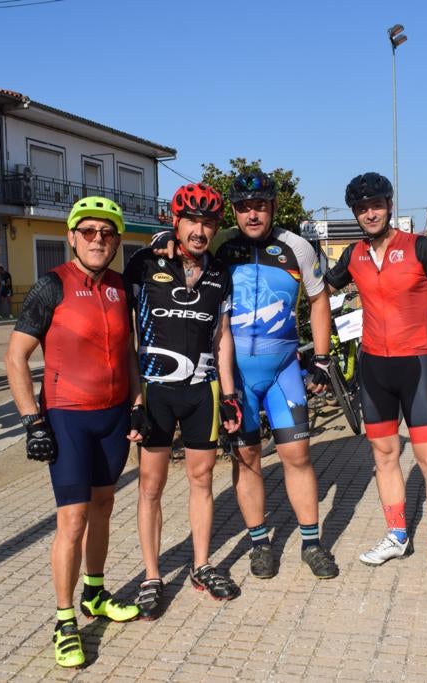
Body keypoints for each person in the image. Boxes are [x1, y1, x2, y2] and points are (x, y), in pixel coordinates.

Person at [154, 170, 339, 580]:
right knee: (247, 457)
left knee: (297, 456)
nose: (252, 215)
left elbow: (319, 301)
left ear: (272, 208)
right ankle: (259, 543)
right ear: (234, 212)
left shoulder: (297, 247)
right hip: (236, 376)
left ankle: (312, 543)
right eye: (243, 208)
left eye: (260, 207)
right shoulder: (220, 244)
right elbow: (185, 246)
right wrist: (162, 238)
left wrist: (322, 358)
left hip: (283, 371)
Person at [5, 196, 142, 669]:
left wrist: (137, 405)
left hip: (113, 416)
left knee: (104, 507)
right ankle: (65, 621)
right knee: (73, 519)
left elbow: (127, 353)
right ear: (72, 237)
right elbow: (15, 356)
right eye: (88, 232)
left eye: (106, 233)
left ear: (117, 241)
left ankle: (95, 594)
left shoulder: (121, 288)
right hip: (67, 417)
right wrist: (32, 421)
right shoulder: (51, 286)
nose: (97, 240)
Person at [324, 172, 427, 591]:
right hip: (374, 370)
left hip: (416, 369)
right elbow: (319, 289)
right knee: (384, 456)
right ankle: (397, 535)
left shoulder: (420, 247)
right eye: (361, 208)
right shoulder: (353, 255)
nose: (370, 213)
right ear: (355, 214)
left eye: (376, 205)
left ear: (389, 206)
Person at [123, 183, 242, 619]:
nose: (199, 230)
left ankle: (201, 565)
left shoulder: (219, 273)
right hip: (155, 390)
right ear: (175, 222)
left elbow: (222, 337)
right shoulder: (144, 264)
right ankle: (152, 576)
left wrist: (229, 395)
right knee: (150, 486)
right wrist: (134, 399)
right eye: (191, 220)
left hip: (202, 390)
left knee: (202, 479)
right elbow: (125, 335)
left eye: (208, 222)